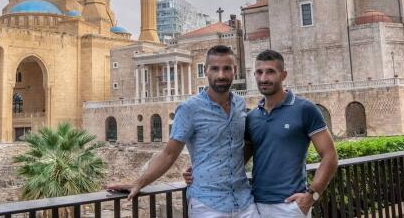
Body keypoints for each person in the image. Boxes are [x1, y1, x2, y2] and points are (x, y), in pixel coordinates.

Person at [106, 45, 259, 217]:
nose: (221, 75)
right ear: (206, 71)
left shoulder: (239, 104)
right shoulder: (189, 109)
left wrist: (210, 167)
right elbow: (169, 154)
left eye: (226, 69)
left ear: (235, 71)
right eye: (215, 69)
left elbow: (243, 145)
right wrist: (138, 183)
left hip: (244, 201)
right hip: (208, 204)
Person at [185, 49, 338, 217]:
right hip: (253, 204)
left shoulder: (304, 109)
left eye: (270, 72)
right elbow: (237, 158)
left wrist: (312, 195)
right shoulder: (251, 117)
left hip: (290, 206)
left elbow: (330, 155)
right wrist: (200, 171)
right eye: (259, 72)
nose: (264, 78)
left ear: (283, 75)